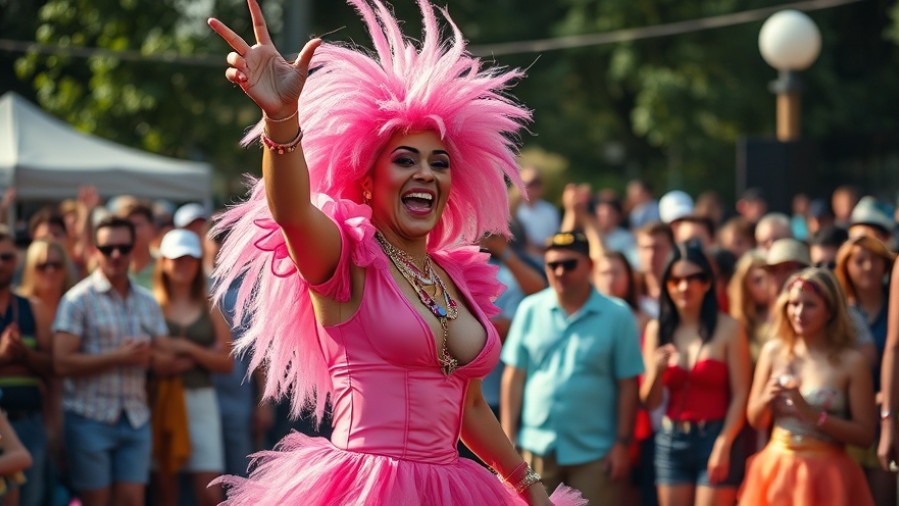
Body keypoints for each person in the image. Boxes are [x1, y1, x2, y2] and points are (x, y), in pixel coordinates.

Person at [207, 1, 584, 505]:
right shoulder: (346, 254)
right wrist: (281, 119)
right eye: (404, 159)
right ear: (368, 179)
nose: (425, 173)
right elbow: (292, 211)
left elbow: (470, 409)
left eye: (440, 162)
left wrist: (530, 489)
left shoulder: (459, 278)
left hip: (454, 487)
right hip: (363, 488)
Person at [501, 231, 643, 504]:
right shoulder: (530, 309)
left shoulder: (617, 314)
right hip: (536, 448)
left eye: (569, 264)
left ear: (589, 265)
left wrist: (622, 445)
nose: (560, 271)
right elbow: (514, 377)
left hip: (595, 453)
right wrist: (508, 442)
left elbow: (628, 384)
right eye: (552, 265)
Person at [52, 216, 170, 506]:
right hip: (89, 418)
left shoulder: (147, 300)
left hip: (135, 416)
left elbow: (165, 359)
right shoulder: (77, 300)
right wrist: (118, 357)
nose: (116, 255)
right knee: (97, 502)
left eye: (123, 247)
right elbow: (61, 363)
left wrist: (149, 356)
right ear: (95, 251)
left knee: (132, 500)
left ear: (134, 249)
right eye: (107, 249)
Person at [740, 268, 875, 505]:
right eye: (793, 304)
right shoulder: (773, 351)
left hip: (828, 475)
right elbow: (756, 419)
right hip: (776, 470)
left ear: (830, 311)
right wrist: (766, 398)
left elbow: (865, 435)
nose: (799, 313)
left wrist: (811, 414)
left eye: (810, 305)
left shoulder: (852, 362)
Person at [640, 239, 750, 506]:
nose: (684, 286)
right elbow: (649, 401)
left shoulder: (729, 328)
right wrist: (656, 371)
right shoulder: (657, 329)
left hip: (715, 436)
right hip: (671, 440)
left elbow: (741, 394)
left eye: (692, 278)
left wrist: (723, 446)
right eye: (675, 280)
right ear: (666, 285)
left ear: (707, 282)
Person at [150, 229, 233, 506]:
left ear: (199, 262)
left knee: (210, 493)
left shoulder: (209, 302)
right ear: (163, 261)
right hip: (161, 400)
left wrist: (186, 349)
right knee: (166, 493)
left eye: (190, 258)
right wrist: (202, 354)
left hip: (201, 401)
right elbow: (153, 360)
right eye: (177, 258)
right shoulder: (150, 304)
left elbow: (226, 361)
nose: (183, 264)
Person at [833, 235, 896, 505]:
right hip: (848, 419)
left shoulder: (894, 304)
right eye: (860, 261)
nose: (868, 266)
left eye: (874, 259)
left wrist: (887, 403)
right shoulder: (838, 313)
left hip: (888, 415)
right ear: (845, 266)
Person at [0, 231, 53, 506]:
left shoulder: (34, 308)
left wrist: (25, 354)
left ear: (17, 261)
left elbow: (51, 367)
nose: (0, 263)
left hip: (29, 422)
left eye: (6, 257)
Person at [727, 249, 770, 364]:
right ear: (745, 288)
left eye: (769, 275)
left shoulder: (789, 313)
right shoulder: (738, 324)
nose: (766, 284)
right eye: (757, 280)